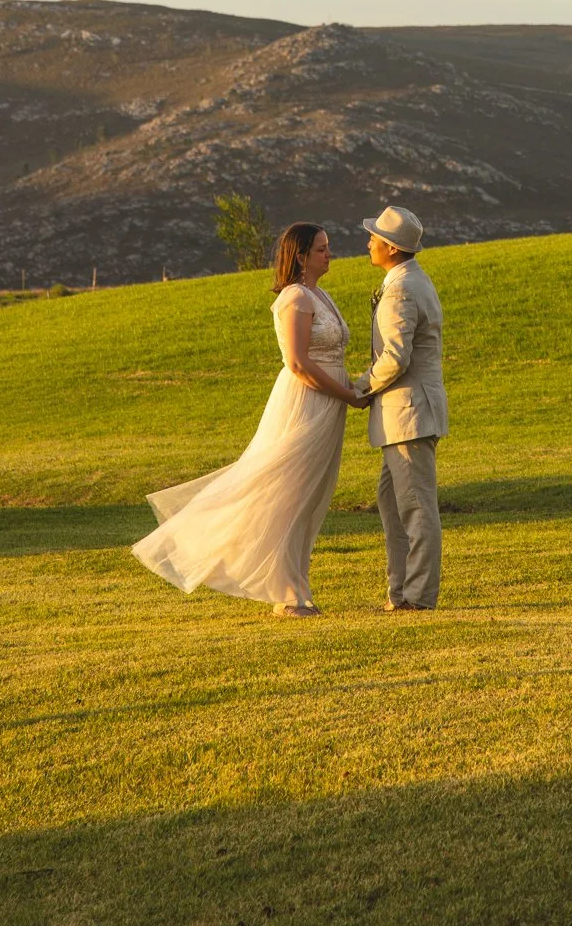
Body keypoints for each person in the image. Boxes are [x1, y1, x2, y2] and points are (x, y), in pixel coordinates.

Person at [133, 222, 366, 618]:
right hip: (306, 402)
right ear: (301, 256)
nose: (330, 254)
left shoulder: (320, 294)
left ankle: (293, 584)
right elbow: (297, 362)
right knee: (285, 492)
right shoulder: (295, 297)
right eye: (322, 249)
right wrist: (348, 395)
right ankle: (287, 592)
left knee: (308, 496)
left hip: (329, 404)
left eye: (329, 247)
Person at [354, 205, 448, 612]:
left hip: (407, 414)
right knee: (393, 504)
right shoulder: (412, 280)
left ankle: (418, 597)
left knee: (414, 508)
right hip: (404, 415)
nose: (369, 242)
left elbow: (394, 357)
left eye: (374, 237)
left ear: (391, 248)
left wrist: (359, 388)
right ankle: (401, 593)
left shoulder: (401, 289)